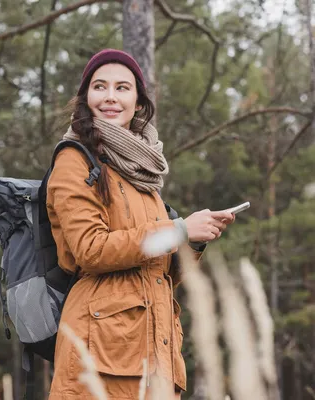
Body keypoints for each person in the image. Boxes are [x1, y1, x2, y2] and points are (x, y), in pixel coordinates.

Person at [46, 49, 235, 399]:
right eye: (100, 87)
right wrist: (179, 229)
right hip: (99, 355)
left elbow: (157, 271)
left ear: (138, 101)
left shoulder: (142, 173)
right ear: (86, 98)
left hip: (158, 356)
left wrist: (192, 242)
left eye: (122, 88)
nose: (111, 97)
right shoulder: (74, 160)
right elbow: (91, 250)